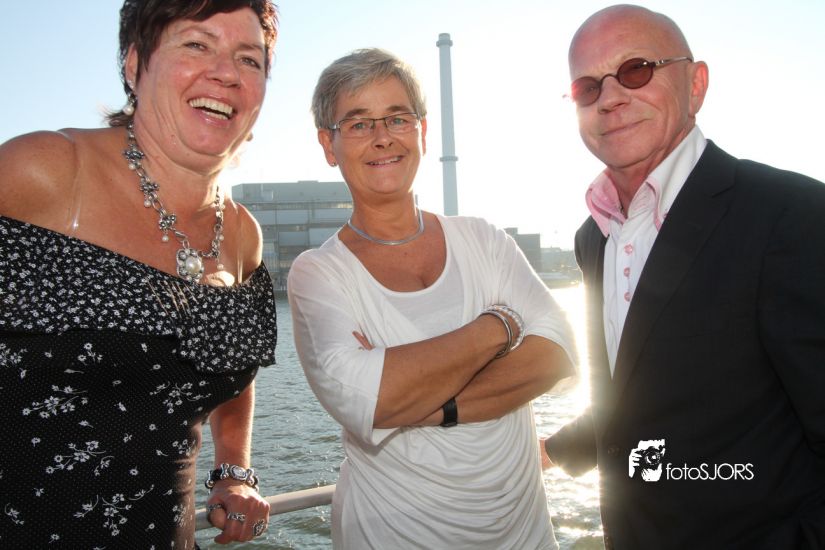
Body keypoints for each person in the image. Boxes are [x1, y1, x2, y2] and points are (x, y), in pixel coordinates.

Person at [542, 5, 825, 549]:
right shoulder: (594, 237)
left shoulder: (792, 217)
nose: (610, 98)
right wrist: (548, 452)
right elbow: (631, 396)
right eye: (587, 87)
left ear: (696, 85)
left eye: (636, 70)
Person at [0, 0, 279, 546]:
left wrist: (234, 470)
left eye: (249, 59)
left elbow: (232, 358)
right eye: (196, 44)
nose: (225, 73)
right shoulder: (46, 172)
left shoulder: (242, 235)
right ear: (134, 63)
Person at [287, 48, 577, 549]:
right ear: (327, 145)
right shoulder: (319, 273)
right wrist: (499, 328)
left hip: (523, 534)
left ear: (422, 131)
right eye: (358, 124)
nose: (382, 136)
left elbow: (557, 352)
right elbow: (365, 398)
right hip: (391, 535)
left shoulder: (483, 239)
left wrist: (423, 403)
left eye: (397, 118)